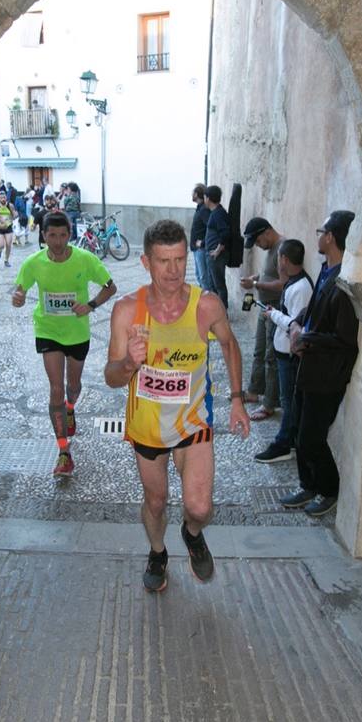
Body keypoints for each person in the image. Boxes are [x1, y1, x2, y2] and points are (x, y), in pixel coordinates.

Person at [104, 219, 250, 593]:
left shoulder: (206, 305)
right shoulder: (126, 311)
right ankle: (157, 553)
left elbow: (230, 345)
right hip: (147, 427)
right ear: (146, 263)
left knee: (200, 506)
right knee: (156, 501)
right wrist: (128, 365)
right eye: (164, 261)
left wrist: (237, 401)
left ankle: (192, 532)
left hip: (193, 424)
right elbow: (111, 376)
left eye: (180, 260)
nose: (173, 270)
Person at [12, 211, 117, 476]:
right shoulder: (33, 262)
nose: (57, 242)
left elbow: (110, 287)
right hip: (47, 330)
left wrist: (90, 305)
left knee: (73, 386)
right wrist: (19, 296)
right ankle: (63, 451)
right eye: (51, 236)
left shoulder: (85, 259)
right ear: (43, 235)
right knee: (56, 388)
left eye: (62, 235)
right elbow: (20, 289)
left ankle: (70, 408)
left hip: (77, 333)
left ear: (70, 235)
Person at [280, 210, 360, 517]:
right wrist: (300, 325)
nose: (318, 236)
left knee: (312, 437)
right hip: (308, 366)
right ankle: (307, 485)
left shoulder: (344, 280)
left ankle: (328, 489)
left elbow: (344, 339)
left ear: (331, 236)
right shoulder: (326, 270)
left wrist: (308, 338)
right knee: (300, 430)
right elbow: (312, 313)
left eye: (321, 231)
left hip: (327, 374)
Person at [253, 238, 313, 463]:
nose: (278, 262)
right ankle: (291, 439)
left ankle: (283, 444)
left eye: (279, 258)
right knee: (287, 399)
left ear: (284, 260)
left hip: (289, 354)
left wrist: (273, 315)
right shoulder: (295, 283)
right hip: (282, 350)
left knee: (288, 401)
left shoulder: (301, 288)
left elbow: (295, 325)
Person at [239, 217, 284, 421]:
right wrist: (255, 279)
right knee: (259, 351)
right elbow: (267, 273)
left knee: (270, 357)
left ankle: (269, 404)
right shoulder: (271, 249)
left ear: (267, 232)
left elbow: (283, 283)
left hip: (275, 310)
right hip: (264, 307)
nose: (258, 245)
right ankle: (253, 391)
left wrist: (256, 286)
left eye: (258, 241)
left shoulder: (283, 248)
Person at [202, 185, 230, 309]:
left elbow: (225, 233)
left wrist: (218, 250)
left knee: (218, 285)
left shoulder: (218, 213)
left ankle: (222, 313)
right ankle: (216, 312)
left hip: (216, 256)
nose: (204, 200)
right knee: (213, 285)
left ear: (208, 198)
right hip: (213, 255)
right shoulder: (216, 212)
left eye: (204, 197)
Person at [189, 184, 210, 290]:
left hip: (201, 249)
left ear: (197, 194)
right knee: (199, 276)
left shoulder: (204, 210)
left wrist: (202, 243)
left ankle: (209, 302)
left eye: (193, 192)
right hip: (197, 249)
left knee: (204, 277)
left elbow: (211, 228)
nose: (191, 194)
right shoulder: (200, 209)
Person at [0, 196, 16, 265]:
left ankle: (6, 260)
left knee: (8, 244)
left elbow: (14, 214)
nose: (3, 199)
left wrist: (11, 218)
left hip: (8, 227)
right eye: (1, 198)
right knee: (1, 245)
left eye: (4, 197)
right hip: (0, 227)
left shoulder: (10, 205)